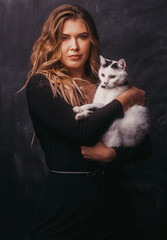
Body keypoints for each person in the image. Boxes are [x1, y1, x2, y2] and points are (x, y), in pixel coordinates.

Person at [25, 4, 151, 240]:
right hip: (67, 207)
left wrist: (113, 156)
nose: (74, 46)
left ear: (91, 40)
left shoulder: (103, 80)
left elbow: (145, 145)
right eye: (65, 38)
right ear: (53, 41)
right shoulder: (42, 85)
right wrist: (126, 98)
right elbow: (82, 132)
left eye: (82, 37)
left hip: (115, 208)